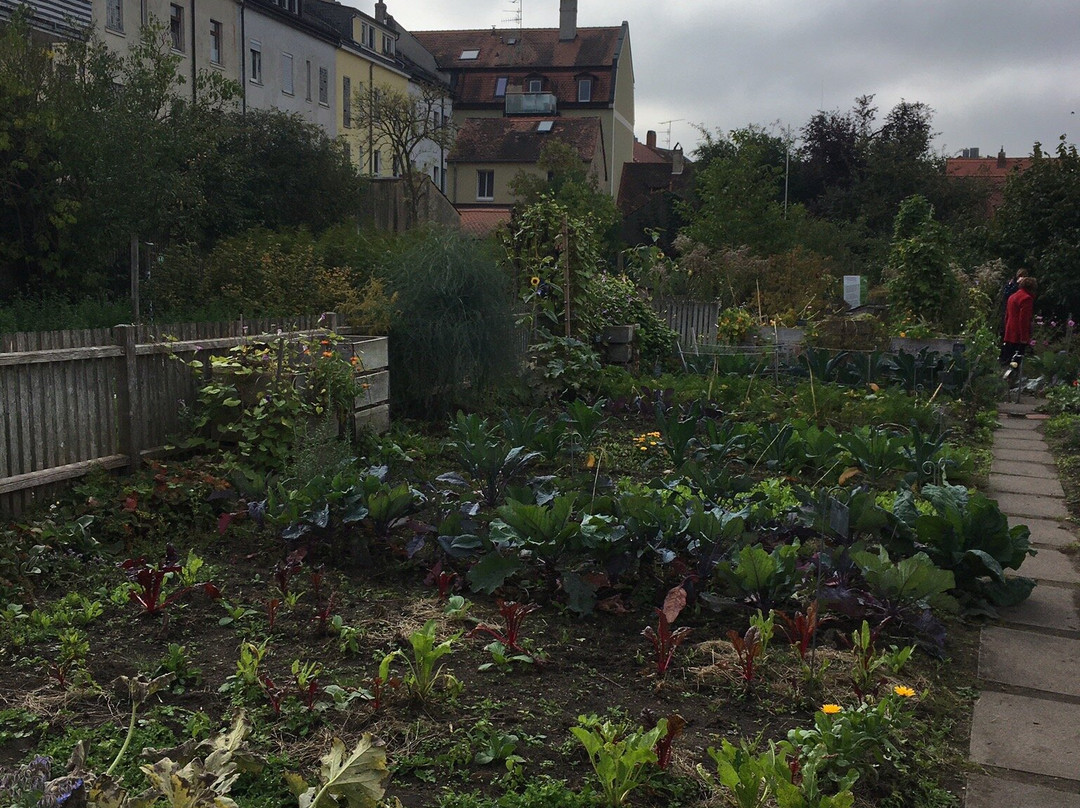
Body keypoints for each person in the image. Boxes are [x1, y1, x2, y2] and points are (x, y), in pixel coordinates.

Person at [1002, 275, 1037, 367]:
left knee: (1008, 359)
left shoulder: (1012, 297)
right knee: (1016, 361)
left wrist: (1006, 330)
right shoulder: (1026, 299)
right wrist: (1024, 338)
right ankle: (1013, 378)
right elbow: (1024, 319)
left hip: (1009, 331)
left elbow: (1007, 315)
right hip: (1018, 334)